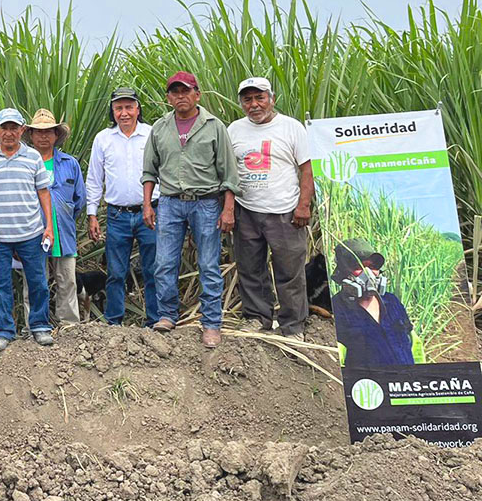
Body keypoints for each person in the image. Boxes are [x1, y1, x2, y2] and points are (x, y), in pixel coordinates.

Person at [142, 71, 240, 348]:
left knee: (208, 264)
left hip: (206, 203)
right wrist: (147, 204)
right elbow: (150, 170)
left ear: (197, 94)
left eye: (186, 91)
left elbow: (228, 172)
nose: (180, 96)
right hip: (170, 203)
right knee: (163, 263)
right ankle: (167, 315)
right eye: (175, 92)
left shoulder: (214, 126)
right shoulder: (160, 128)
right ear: (168, 97)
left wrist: (228, 208)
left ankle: (211, 324)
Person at [228, 77, 315, 340]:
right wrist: (229, 209)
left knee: (289, 271)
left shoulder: (291, 128)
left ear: (271, 98)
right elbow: (229, 174)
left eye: (259, 98)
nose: (254, 104)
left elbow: (307, 170)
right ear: (242, 103)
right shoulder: (234, 130)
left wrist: (303, 205)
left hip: (285, 212)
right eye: (248, 99)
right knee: (250, 268)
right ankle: (257, 318)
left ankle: (293, 325)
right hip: (247, 211)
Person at [0, 108, 55, 351]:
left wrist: (48, 226)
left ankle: (39, 326)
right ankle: (5, 330)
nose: (9, 133)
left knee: (38, 281)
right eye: (4, 128)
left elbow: (43, 192)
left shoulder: (33, 157)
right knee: (0, 284)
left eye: (14, 128)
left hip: (31, 232)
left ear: (22, 130)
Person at [85, 88, 160, 327]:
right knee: (116, 272)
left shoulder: (152, 134)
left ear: (138, 109)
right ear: (113, 111)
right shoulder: (103, 139)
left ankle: (156, 320)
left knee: (153, 270)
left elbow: (164, 170)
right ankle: (114, 321)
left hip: (150, 213)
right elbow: (95, 179)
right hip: (117, 215)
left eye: (129, 107)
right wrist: (92, 214)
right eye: (119, 108)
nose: (124, 113)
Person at [21, 109, 86, 326]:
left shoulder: (70, 163)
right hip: (31, 233)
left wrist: (63, 216)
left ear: (56, 135)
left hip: (64, 234)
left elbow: (79, 200)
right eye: (38, 132)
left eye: (48, 131)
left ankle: (69, 326)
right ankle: (35, 326)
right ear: (30, 135)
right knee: (34, 282)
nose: (43, 136)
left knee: (67, 281)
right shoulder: (23, 163)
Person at [331, 239, 418, 367]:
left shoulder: (392, 302)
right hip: (371, 386)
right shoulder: (337, 309)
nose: (368, 274)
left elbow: (414, 345)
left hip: (405, 384)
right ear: (343, 272)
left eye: (372, 267)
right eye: (358, 267)